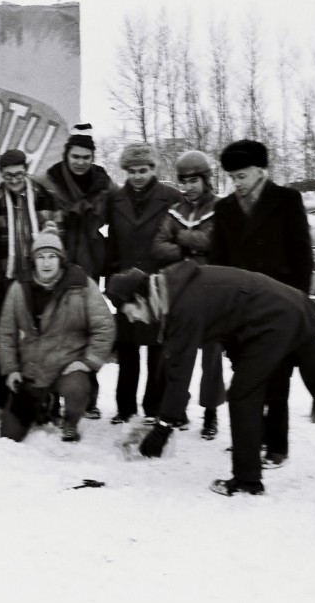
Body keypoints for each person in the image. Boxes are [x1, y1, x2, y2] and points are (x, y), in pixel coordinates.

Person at [105, 263, 315, 496]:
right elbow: (230, 315)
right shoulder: (173, 286)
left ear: (140, 299)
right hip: (292, 304)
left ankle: (247, 479)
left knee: (242, 394)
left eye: (131, 313)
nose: (135, 320)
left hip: (274, 319)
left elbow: (179, 372)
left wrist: (163, 428)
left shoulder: (180, 305)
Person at [210, 139, 314, 468]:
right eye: (232, 178)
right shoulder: (225, 209)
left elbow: (302, 257)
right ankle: (249, 439)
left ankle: (277, 445)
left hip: (280, 305)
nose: (236, 184)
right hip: (240, 311)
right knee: (245, 375)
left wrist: (297, 305)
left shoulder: (286, 201)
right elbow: (218, 263)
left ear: (260, 171)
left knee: (278, 376)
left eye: (241, 176)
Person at [0, 222, 115, 442]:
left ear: (61, 259)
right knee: (9, 435)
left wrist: (88, 362)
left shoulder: (81, 285)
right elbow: (6, 332)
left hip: (67, 364)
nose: (46, 263)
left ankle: (70, 422)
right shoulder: (19, 288)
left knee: (77, 387)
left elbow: (104, 326)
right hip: (33, 368)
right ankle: (43, 405)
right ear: (34, 261)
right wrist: (11, 368)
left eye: (52, 256)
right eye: (41, 257)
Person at [36, 123, 118, 419]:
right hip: (56, 266)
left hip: (89, 268)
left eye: (86, 157)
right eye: (76, 156)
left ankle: (86, 397)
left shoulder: (104, 185)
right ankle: (51, 399)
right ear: (67, 154)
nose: (81, 162)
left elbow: (125, 208)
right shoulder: (48, 181)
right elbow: (19, 190)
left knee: (86, 331)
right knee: (54, 331)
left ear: (93, 157)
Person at [104, 142, 181, 426]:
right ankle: (125, 408)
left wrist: (171, 279)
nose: (138, 176)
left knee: (157, 351)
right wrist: (111, 280)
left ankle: (154, 408)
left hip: (158, 284)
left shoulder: (171, 197)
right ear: (125, 171)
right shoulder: (117, 200)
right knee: (127, 348)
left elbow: (177, 238)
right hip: (125, 283)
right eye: (133, 171)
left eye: (144, 170)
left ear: (154, 169)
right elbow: (112, 242)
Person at [0, 148, 63, 412]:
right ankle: (5, 401)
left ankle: (46, 402)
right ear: (1, 175)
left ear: (26, 170)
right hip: (7, 281)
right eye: (8, 175)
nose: (14, 179)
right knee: (4, 342)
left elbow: (57, 240)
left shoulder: (44, 197)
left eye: (18, 173)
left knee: (43, 343)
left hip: (39, 281)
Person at [152, 150, 226, 440]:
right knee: (177, 353)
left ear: (205, 179)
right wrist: (190, 249)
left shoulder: (220, 208)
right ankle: (176, 408)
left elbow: (215, 241)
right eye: (183, 181)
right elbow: (157, 247)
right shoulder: (175, 211)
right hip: (180, 291)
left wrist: (180, 239)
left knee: (212, 355)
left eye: (194, 180)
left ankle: (210, 413)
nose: (188, 187)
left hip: (212, 290)